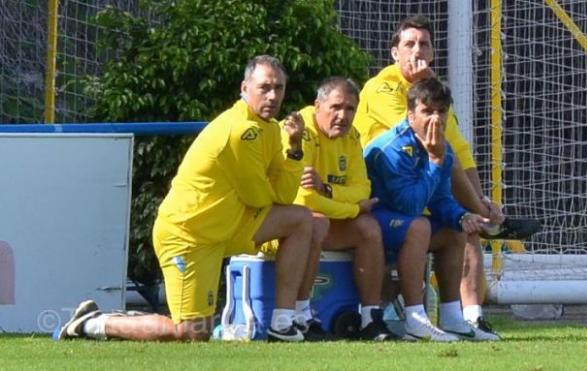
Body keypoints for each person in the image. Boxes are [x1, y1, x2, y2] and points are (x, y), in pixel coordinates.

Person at [56, 55, 314, 342]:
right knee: (189, 334)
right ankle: (94, 322)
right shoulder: (240, 131)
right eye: (264, 87)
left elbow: (284, 196)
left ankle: (282, 321)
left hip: (228, 225)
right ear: (244, 88)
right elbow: (259, 197)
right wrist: (278, 186)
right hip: (189, 236)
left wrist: (294, 151)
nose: (273, 95)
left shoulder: (271, 128)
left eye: (279, 88)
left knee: (301, 220)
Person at [353, 15, 539, 338]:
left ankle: (464, 317)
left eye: (424, 44)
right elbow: (426, 143)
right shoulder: (382, 90)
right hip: (379, 199)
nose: (417, 51)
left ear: (434, 51)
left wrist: (472, 209)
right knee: (422, 223)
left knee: (460, 229)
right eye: (409, 44)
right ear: (394, 53)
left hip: (416, 190)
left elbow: (457, 153)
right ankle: (414, 316)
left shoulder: (434, 100)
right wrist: (476, 203)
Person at [364, 77, 498, 341]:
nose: (435, 119)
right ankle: (415, 319)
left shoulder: (441, 147)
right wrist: (435, 162)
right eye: (427, 111)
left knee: (454, 231)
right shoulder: (392, 149)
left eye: (441, 111)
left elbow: (440, 200)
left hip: (401, 221)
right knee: (419, 226)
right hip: (373, 219)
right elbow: (410, 206)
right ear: (410, 115)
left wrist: (462, 216)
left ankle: (452, 318)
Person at [280, 77, 397, 341]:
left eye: (350, 109)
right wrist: (353, 209)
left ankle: (370, 318)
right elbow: (304, 200)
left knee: (369, 227)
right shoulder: (300, 130)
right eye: (336, 107)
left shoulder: (351, 135)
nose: (343, 116)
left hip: (326, 216)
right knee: (315, 222)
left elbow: (362, 189)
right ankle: (301, 316)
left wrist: (329, 191)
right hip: (289, 222)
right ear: (317, 106)